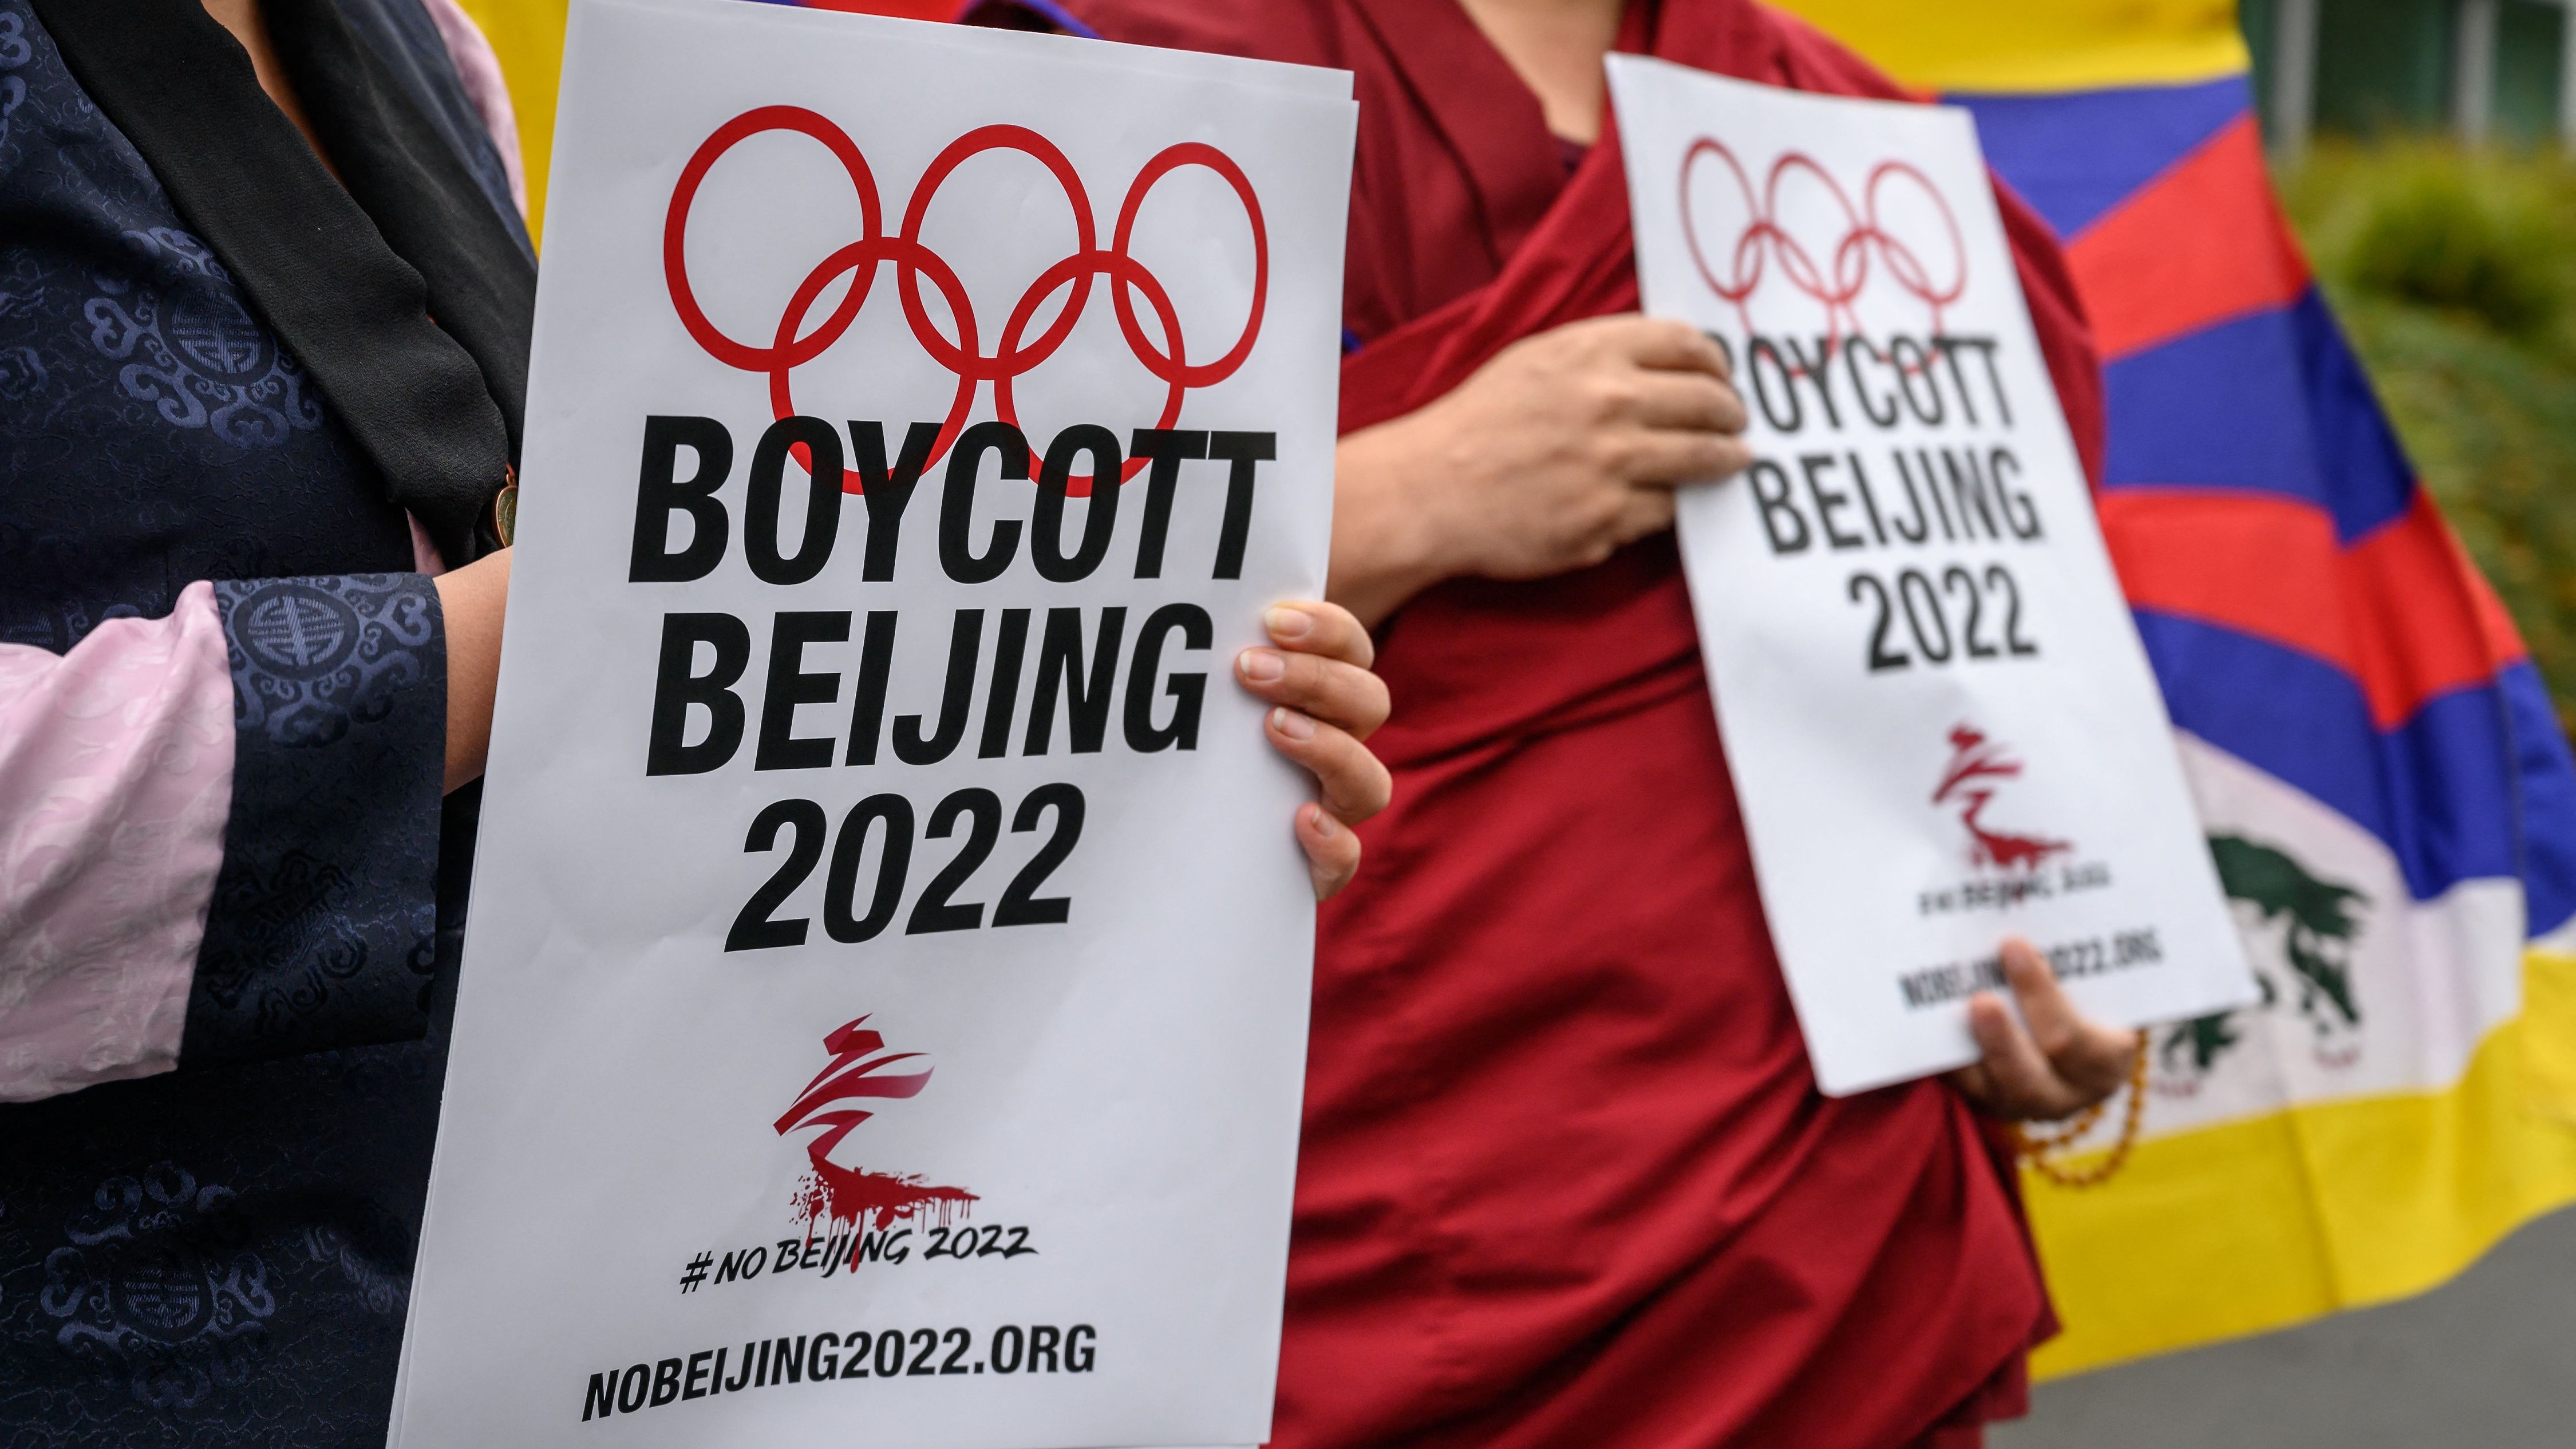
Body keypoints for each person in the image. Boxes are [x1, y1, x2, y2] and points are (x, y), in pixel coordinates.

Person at [0, 0, 1390, 1440]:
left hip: (590, 1326)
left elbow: (612, 678)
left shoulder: (422, 43)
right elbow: (585, 617)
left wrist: (1143, 754)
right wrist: (597, 628)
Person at [963, 1, 2144, 1446]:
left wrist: (2041, 984)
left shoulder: (1858, 151)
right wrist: (1409, 491)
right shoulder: (1132, 55)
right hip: (1315, 1245)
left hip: (1825, 1251)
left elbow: (1976, 697)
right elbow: (908, 649)